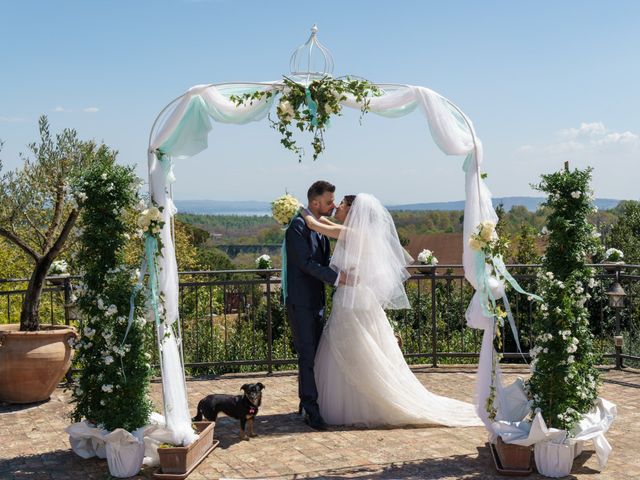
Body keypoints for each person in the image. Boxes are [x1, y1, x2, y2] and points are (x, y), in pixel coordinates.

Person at [301, 193, 483, 427]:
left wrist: (302, 210)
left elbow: (315, 225)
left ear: (353, 211)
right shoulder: (355, 232)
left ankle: (358, 405)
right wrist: (316, 215)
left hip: (354, 301)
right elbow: (327, 224)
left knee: (358, 348)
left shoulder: (354, 233)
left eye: (343, 205)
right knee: (358, 348)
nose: (337, 208)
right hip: (354, 297)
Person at [284, 180, 350, 431]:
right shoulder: (297, 227)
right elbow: (305, 264)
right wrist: (337, 278)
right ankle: (311, 410)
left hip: (317, 302)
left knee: (315, 356)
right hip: (300, 303)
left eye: (335, 201)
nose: (333, 205)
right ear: (315, 203)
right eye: (329, 201)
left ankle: (308, 403)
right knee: (307, 357)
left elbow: (326, 261)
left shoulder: (318, 225)